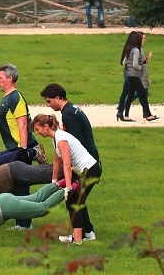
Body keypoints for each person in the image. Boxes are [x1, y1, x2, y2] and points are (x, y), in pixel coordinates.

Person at [40, 83, 99, 241]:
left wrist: (74, 165)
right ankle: (86, 232)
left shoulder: (68, 114)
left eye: (49, 101)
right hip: (89, 160)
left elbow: (76, 140)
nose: (49, 105)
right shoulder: (72, 109)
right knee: (78, 198)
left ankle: (82, 235)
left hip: (86, 163)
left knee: (74, 198)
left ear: (58, 98)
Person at [32, 114, 100, 246]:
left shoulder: (61, 139)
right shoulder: (56, 137)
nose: (37, 133)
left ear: (46, 127)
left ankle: (78, 239)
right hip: (86, 171)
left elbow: (67, 165)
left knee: (73, 201)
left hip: (90, 170)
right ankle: (88, 233)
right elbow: (57, 160)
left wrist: (68, 187)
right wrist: (54, 181)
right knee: (78, 201)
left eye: (37, 129)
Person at [0, 63, 40, 229]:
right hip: (12, 150)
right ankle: (22, 221)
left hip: (19, 150)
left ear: (10, 78)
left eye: (0, 78)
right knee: (16, 185)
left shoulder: (15, 97)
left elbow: (23, 125)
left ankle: (25, 223)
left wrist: (22, 149)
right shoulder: (7, 98)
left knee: (20, 185)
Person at [118, 31, 158, 122]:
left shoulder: (130, 49)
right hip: (135, 76)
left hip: (130, 75)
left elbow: (124, 62)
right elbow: (136, 64)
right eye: (142, 39)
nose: (144, 40)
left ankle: (125, 115)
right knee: (142, 94)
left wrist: (145, 61)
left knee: (130, 94)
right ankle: (148, 115)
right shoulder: (136, 50)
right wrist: (140, 68)